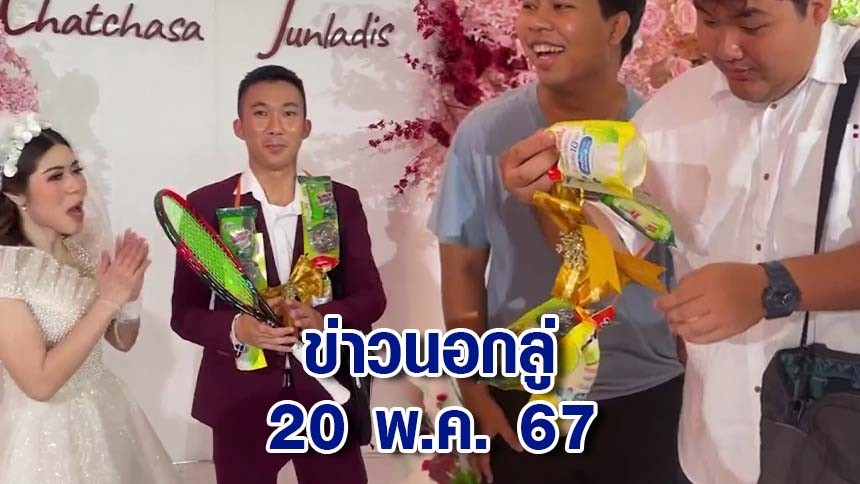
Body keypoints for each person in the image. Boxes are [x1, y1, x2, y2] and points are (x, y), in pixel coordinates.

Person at [499, 0, 860, 483]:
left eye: (752, 23)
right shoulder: (672, 112)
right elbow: (604, 255)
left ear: (817, 7)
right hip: (713, 453)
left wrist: (769, 287)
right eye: (709, 20)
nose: (726, 47)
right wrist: (551, 199)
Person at [428, 1, 684, 483]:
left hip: (647, 396)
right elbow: (462, 267)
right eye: (529, 6)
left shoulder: (660, 135)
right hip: (522, 401)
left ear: (616, 26)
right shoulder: (485, 133)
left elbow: (666, 272)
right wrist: (474, 391)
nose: (537, 23)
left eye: (562, 6)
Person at [170, 65, 386, 484]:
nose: (275, 127)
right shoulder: (207, 205)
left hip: (326, 392)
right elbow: (186, 313)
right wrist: (237, 329)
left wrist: (324, 319)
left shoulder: (338, 201)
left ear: (305, 126)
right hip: (240, 398)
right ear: (239, 127)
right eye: (260, 113)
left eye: (288, 113)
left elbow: (371, 298)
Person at [0, 113, 180, 483]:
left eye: (76, 170)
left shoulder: (80, 252)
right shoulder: (8, 270)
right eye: (55, 177)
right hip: (45, 438)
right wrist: (107, 301)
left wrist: (129, 296)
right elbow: (39, 383)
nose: (76, 186)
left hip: (106, 411)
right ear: (17, 195)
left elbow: (122, 341)